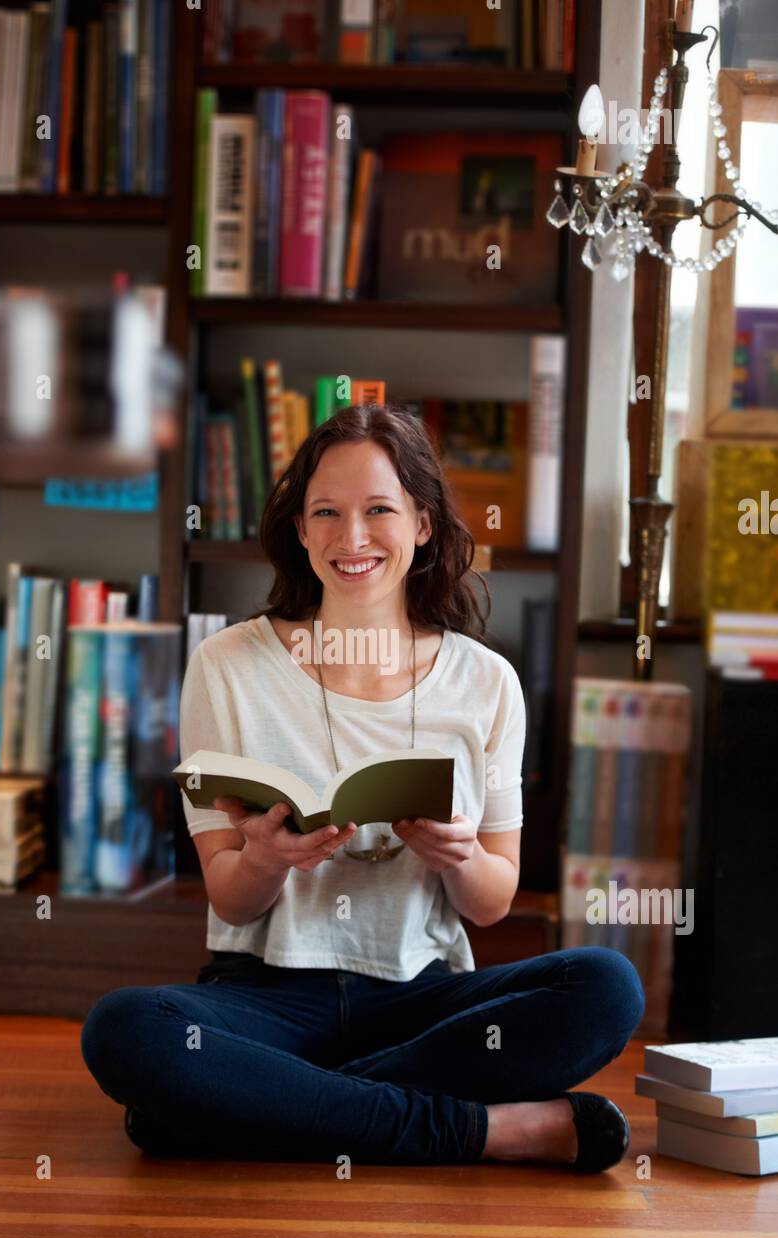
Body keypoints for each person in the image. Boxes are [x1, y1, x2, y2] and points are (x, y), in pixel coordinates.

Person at [81, 405, 645, 1171]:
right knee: (125, 1028)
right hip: (268, 994)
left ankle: (248, 1109)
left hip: (423, 999)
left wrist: (454, 855)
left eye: (379, 510)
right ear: (302, 531)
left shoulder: (487, 683)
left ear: (421, 522)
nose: (352, 539)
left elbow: (491, 901)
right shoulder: (227, 665)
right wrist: (266, 857)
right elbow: (230, 900)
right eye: (327, 514)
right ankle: (487, 1132)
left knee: (607, 986)